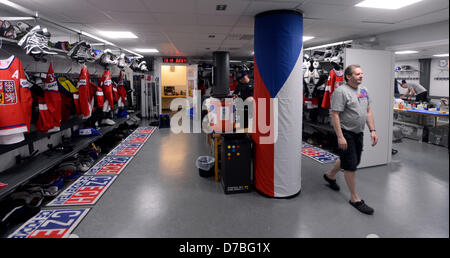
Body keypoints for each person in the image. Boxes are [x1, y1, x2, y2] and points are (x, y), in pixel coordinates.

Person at [323, 64, 378, 215]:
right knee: (351, 166)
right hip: (345, 132)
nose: (361, 76)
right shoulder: (341, 92)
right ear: (348, 76)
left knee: (350, 159)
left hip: (358, 132)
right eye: (358, 74)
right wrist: (340, 136)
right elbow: (334, 114)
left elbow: (368, 111)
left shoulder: (364, 90)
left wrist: (372, 130)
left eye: (362, 73)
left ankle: (330, 175)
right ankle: (355, 198)